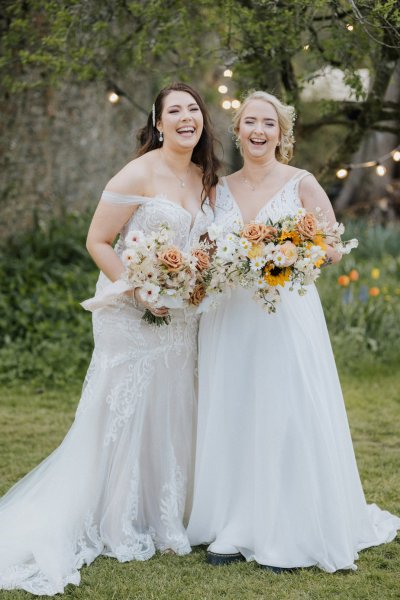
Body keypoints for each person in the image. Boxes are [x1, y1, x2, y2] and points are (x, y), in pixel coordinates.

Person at [0, 82, 219, 595]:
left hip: (182, 316)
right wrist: (139, 288)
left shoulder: (206, 178)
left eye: (194, 109)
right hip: (129, 310)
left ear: (202, 120)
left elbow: (203, 246)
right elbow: (97, 240)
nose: (187, 117)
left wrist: (198, 277)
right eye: (175, 111)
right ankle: (116, 519)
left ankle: (165, 515)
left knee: (171, 409)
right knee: (123, 409)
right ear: (159, 123)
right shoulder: (139, 170)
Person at [187, 90, 399, 572]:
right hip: (229, 317)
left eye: (268, 123)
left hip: (284, 316)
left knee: (284, 411)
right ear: (237, 132)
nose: (258, 131)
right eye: (249, 122)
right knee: (233, 408)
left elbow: (334, 247)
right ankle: (233, 522)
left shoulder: (301, 183)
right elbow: (204, 249)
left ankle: (290, 526)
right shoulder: (217, 188)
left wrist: (288, 253)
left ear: (281, 135)